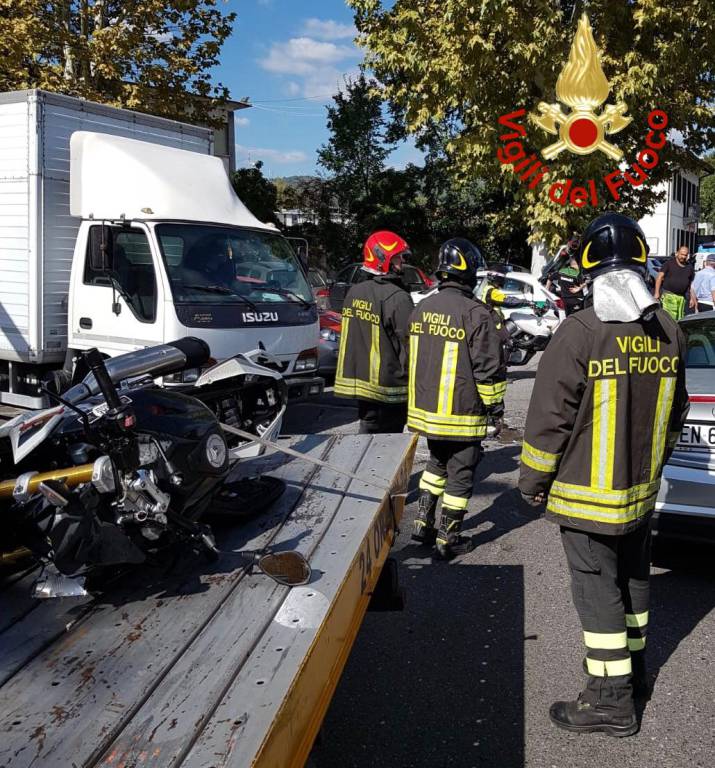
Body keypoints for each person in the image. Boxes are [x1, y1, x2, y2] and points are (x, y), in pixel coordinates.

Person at [519, 213, 689, 737]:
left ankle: (610, 701)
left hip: (588, 500)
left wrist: (531, 483)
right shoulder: (670, 332)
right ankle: (634, 677)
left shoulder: (579, 333)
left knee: (598, 594)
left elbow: (549, 421)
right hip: (639, 495)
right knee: (634, 583)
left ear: (589, 268)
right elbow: (676, 413)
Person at [408, 238, 506, 559]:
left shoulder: (422, 308)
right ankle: (448, 540)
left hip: (428, 414)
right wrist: (495, 409)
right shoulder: (476, 314)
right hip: (462, 414)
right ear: (469, 272)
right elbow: (488, 370)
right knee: (460, 475)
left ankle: (422, 523)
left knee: (436, 465)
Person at [334, 230, 414, 434]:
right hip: (389, 387)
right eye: (397, 258)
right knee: (385, 445)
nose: (401, 263)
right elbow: (411, 342)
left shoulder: (354, 292)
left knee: (368, 434)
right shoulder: (398, 297)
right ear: (382, 258)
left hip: (361, 386)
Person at [654, 244, 695, 320]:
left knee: (679, 319)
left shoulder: (689, 267)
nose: (683, 257)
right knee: (668, 319)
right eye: (682, 254)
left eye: (685, 255)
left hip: (681, 298)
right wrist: (657, 293)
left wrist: (692, 298)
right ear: (677, 253)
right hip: (668, 296)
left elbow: (691, 284)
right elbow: (659, 277)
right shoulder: (669, 263)